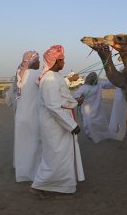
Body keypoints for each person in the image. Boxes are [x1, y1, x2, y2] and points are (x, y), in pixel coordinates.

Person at [30, 45, 85, 197]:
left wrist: (75, 102)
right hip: (54, 124)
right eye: (62, 60)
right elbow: (52, 106)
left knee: (62, 155)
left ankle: (61, 186)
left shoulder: (57, 77)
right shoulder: (49, 80)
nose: (64, 63)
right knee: (55, 156)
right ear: (55, 61)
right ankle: (39, 185)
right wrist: (72, 125)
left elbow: (62, 98)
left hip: (60, 122)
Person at [14, 51, 41, 182]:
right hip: (32, 116)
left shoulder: (19, 72)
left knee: (22, 144)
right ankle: (33, 174)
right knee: (33, 145)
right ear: (34, 62)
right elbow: (50, 85)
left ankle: (21, 172)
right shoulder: (36, 74)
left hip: (20, 116)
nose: (40, 63)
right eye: (38, 60)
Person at [73, 72, 115, 143]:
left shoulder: (99, 84)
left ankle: (105, 136)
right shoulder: (83, 87)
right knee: (89, 124)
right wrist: (79, 98)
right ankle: (93, 137)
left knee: (101, 123)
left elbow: (109, 84)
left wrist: (115, 78)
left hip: (98, 109)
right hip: (87, 110)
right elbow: (76, 97)